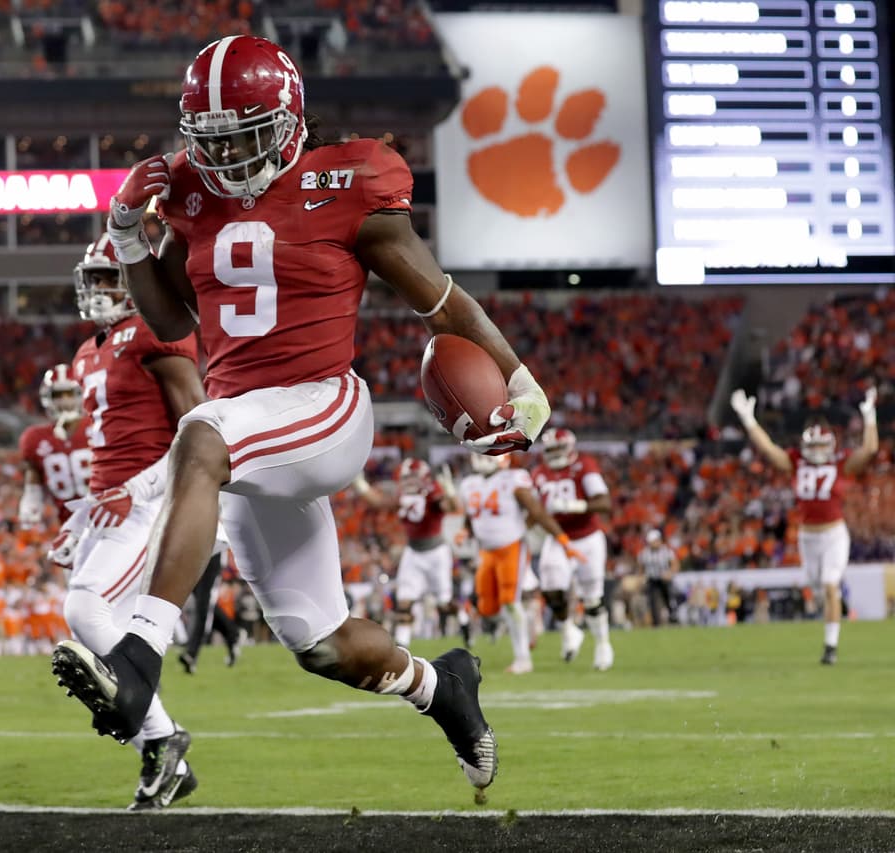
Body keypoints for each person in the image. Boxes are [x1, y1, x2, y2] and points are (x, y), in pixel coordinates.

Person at [50, 34, 550, 802]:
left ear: (289, 123)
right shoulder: (189, 189)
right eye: (212, 142)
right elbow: (174, 318)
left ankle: (141, 654)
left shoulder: (351, 181)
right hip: (252, 442)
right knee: (319, 642)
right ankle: (442, 685)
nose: (228, 160)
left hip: (323, 408)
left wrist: (516, 375)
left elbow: (441, 302)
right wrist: (127, 238)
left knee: (201, 433)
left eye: (245, 139)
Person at [58, 233, 219, 810]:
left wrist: (142, 487)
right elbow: (108, 447)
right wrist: (81, 520)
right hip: (110, 502)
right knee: (99, 632)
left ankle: (161, 736)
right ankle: (163, 751)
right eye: (93, 279)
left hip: (154, 500)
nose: (99, 290)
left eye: (109, 278)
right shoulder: (85, 352)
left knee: (83, 606)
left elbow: (200, 427)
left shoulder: (155, 330)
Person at [730, 388, 879, 664]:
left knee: (829, 584)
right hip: (807, 537)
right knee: (818, 587)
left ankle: (830, 648)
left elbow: (869, 449)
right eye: (815, 447)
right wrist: (748, 419)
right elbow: (769, 450)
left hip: (834, 533)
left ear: (831, 445)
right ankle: (836, 613)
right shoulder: (796, 462)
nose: (819, 452)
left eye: (824, 447)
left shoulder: (841, 463)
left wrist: (870, 416)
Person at [459, 454, 581, 675]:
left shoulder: (514, 478)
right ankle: (528, 620)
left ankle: (523, 658)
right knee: (486, 607)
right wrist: (465, 530)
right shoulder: (469, 484)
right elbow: (472, 516)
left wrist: (562, 539)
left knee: (509, 601)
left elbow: (536, 511)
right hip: (486, 551)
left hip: (511, 547)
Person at [531, 428, 615, 671]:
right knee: (551, 588)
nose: (555, 455)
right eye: (551, 451)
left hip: (588, 537)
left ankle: (602, 644)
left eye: (559, 449)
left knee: (592, 597)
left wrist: (574, 505)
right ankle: (569, 630)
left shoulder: (584, 466)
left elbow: (604, 503)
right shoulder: (539, 473)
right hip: (558, 538)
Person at [353, 458, 458, 647]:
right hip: (413, 551)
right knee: (404, 601)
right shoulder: (403, 496)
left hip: (436, 552)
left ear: (424, 478)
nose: (409, 482)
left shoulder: (433, 493)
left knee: (444, 603)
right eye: (406, 477)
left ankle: (464, 621)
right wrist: (360, 486)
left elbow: (452, 507)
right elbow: (380, 502)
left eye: (413, 477)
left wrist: (450, 493)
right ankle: (402, 646)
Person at [18, 365, 93, 564]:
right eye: (58, 395)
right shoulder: (35, 438)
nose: (64, 401)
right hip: (71, 530)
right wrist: (30, 502)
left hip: (109, 522)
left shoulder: (98, 427)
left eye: (69, 394)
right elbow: (33, 480)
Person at [637, 529, 678, 627]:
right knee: (652, 601)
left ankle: (673, 617)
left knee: (669, 598)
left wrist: (670, 573)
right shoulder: (644, 553)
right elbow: (641, 568)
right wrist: (641, 578)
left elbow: (675, 564)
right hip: (652, 580)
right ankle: (656, 623)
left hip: (664, 580)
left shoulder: (667, 551)